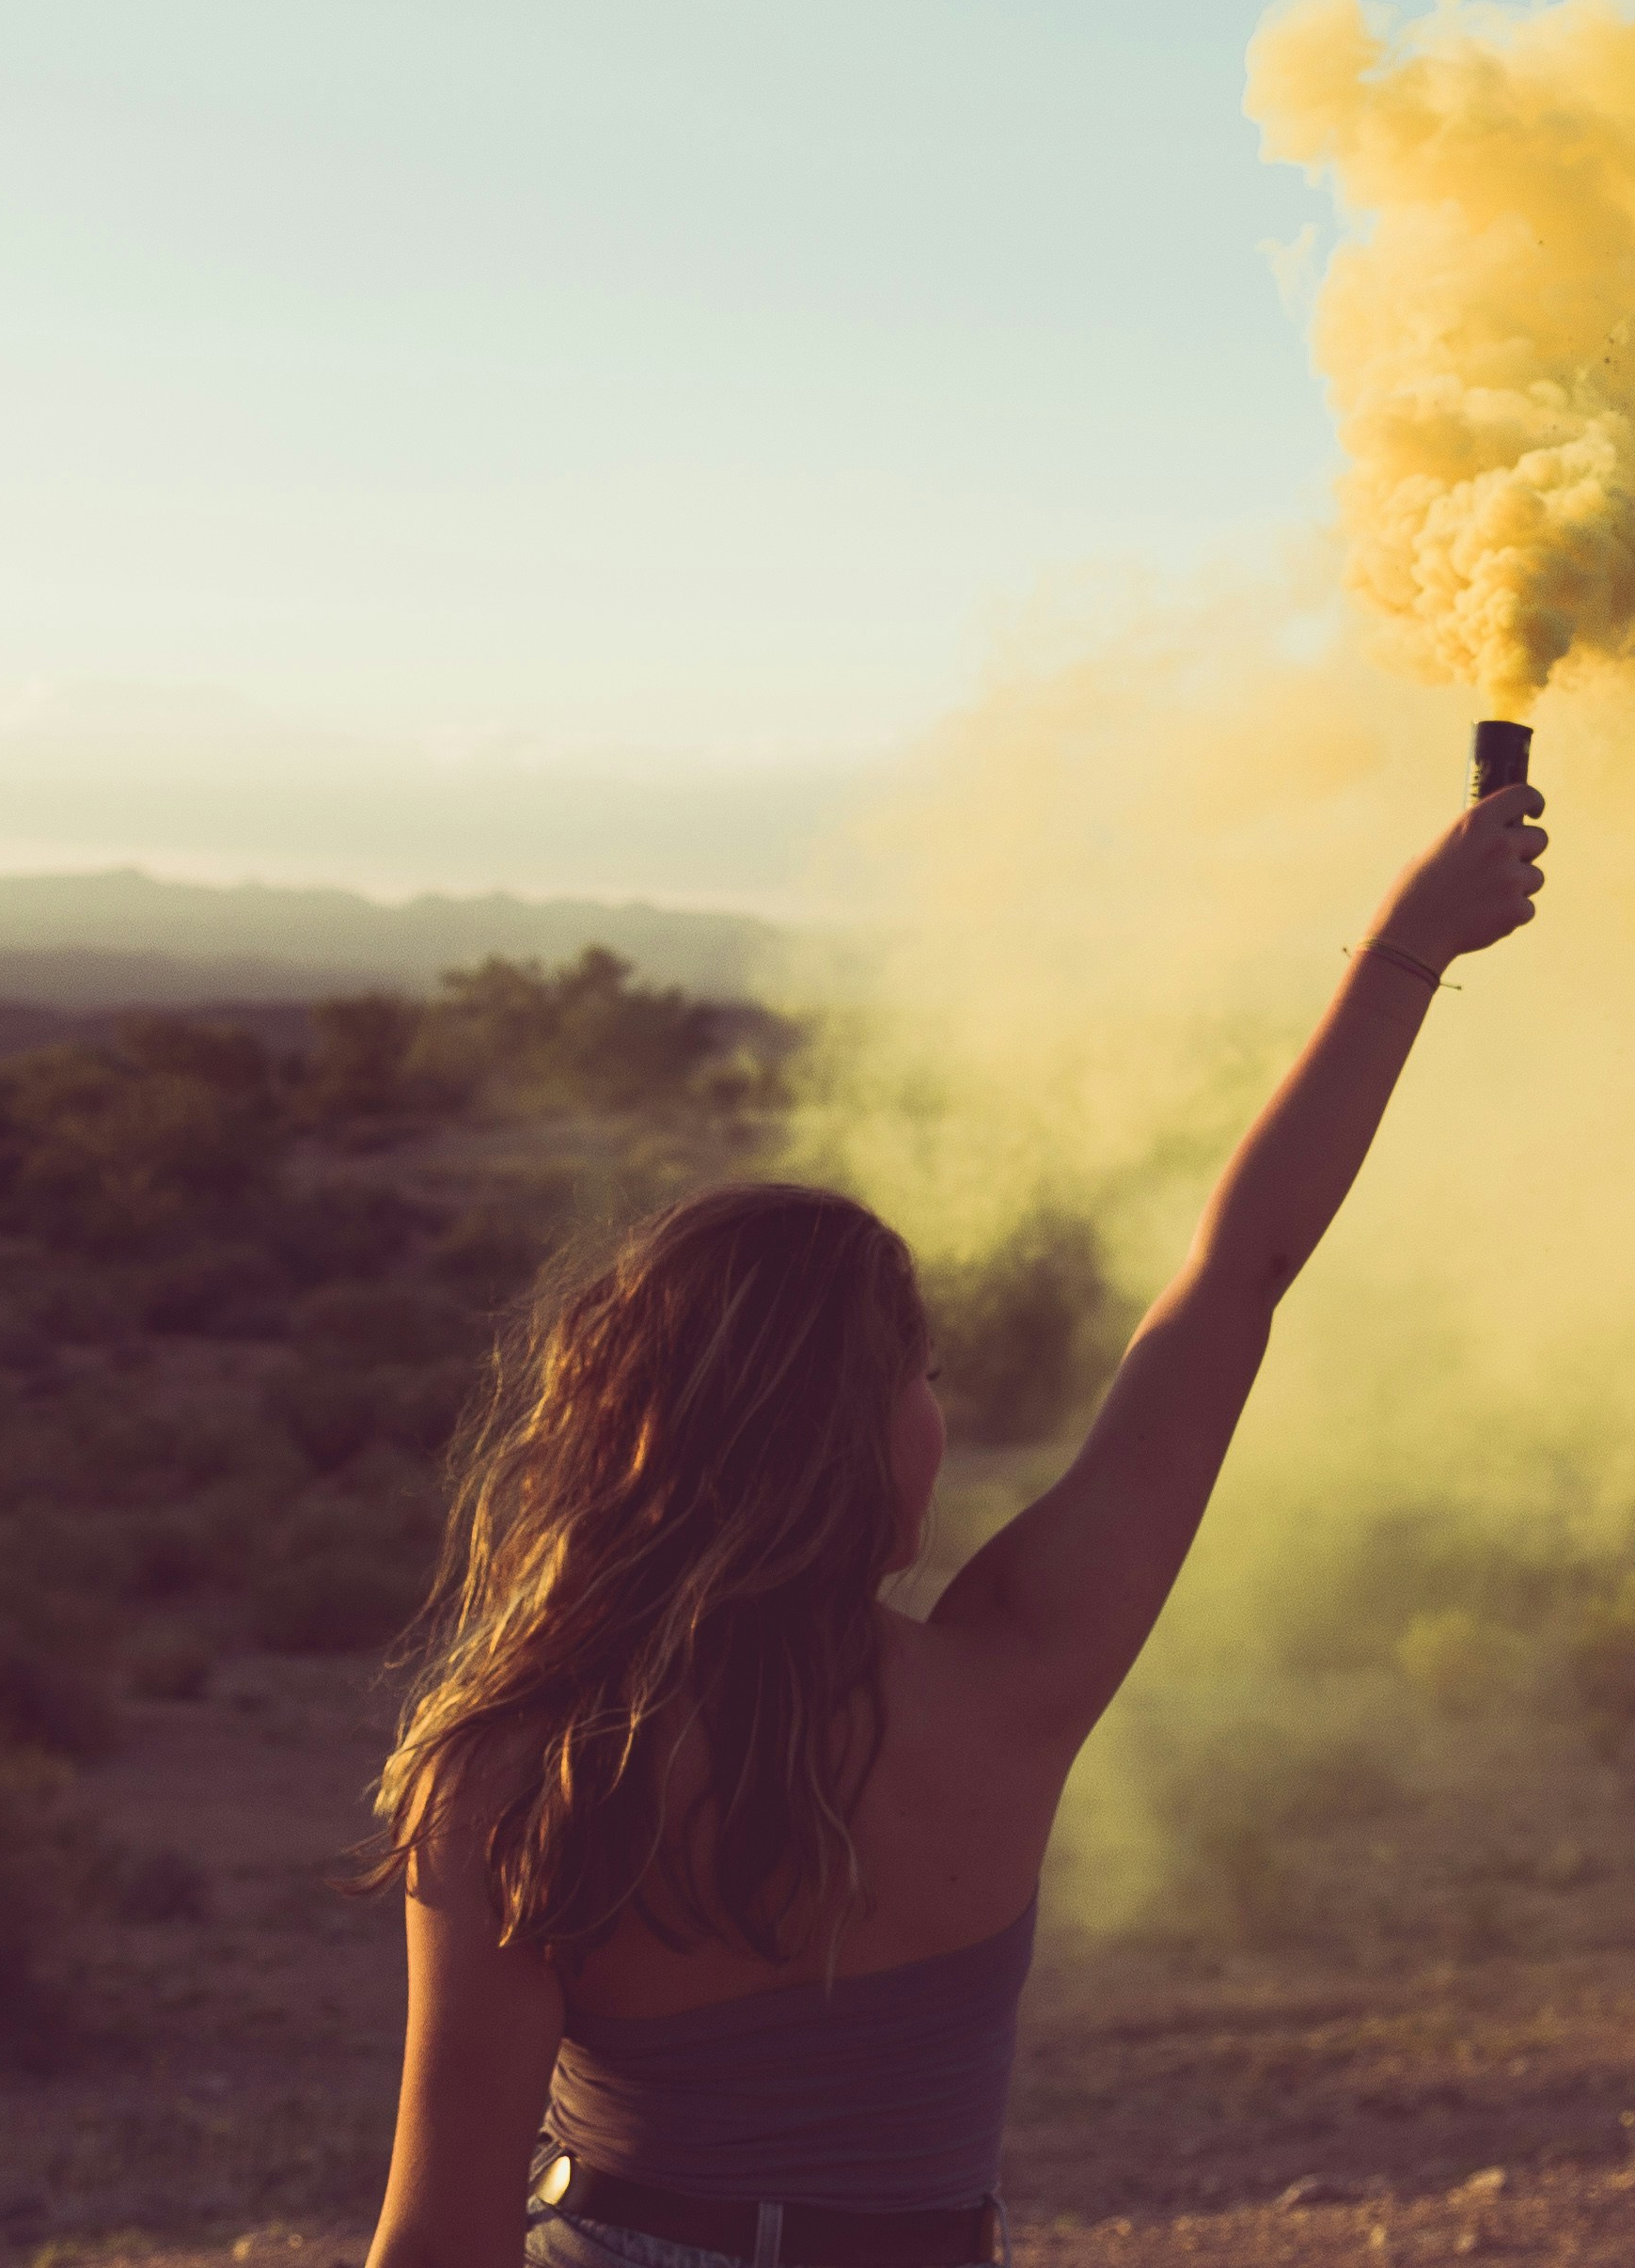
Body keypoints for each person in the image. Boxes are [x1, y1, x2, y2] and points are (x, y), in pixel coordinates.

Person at [357, 780, 1553, 2268]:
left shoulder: (517, 1761)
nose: (942, 1411)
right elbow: (1237, 1276)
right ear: (848, 1439)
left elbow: (438, 2236)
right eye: (918, 1374)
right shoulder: (1006, 1679)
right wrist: (1405, 949)